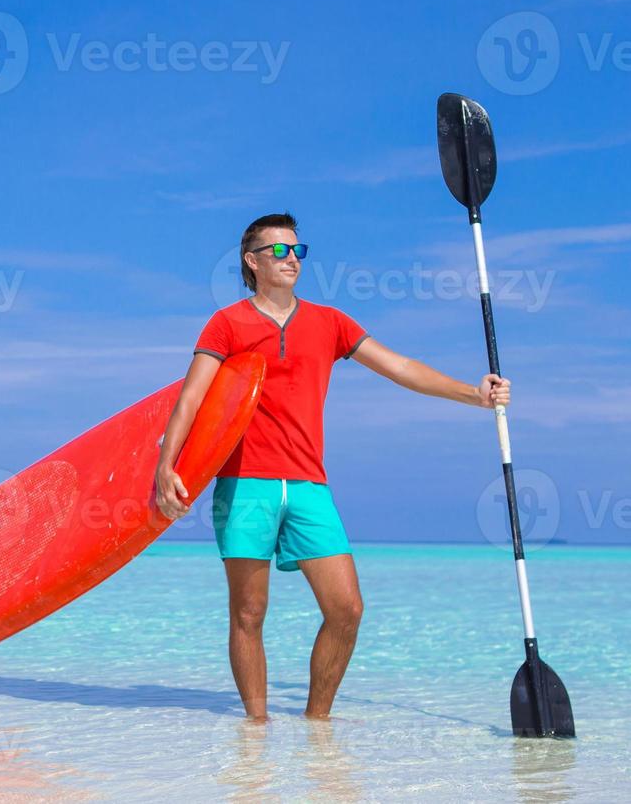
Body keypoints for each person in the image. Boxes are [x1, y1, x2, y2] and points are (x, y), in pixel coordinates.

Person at [153, 212, 511, 721]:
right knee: (249, 613)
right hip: (244, 483)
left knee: (346, 610)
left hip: (308, 485)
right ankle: (255, 731)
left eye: (298, 250)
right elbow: (192, 397)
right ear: (251, 261)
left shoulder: (330, 323)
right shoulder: (227, 323)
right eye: (279, 251)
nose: (292, 258)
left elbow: (400, 367)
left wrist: (472, 395)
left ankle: (317, 726)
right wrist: (168, 465)